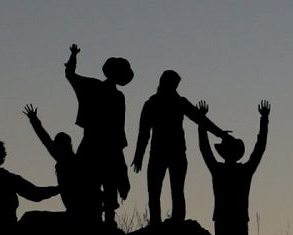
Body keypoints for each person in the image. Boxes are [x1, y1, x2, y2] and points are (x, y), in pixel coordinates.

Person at [132, 70, 234, 225]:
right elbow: (144, 132)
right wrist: (138, 156)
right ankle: (156, 223)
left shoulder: (175, 102)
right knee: (156, 192)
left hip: (175, 153)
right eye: (174, 84)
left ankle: (175, 221)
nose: (175, 88)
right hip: (161, 153)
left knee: (175, 191)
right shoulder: (154, 103)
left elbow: (200, 119)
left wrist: (221, 134)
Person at [63, 44, 132, 224]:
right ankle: (99, 222)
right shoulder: (102, 90)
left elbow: (70, 74)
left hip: (101, 145)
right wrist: (73, 55)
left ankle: (102, 222)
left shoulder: (114, 95)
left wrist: (73, 56)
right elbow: (70, 75)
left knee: (101, 186)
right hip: (100, 145)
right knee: (97, 186)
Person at [198, 100, 269, 235]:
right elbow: (259, 149)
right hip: (239, 220)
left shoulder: (218, 170)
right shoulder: (244, 171)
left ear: (224, 153)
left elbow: (205, 149)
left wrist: (202, 121)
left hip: (223, 220)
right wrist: (264, 119)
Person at [21, 104, 89, 218]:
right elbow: (45, 139)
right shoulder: (69, 159)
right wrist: (34, 120)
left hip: (80, 207)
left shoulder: (72, 161)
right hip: (74, 207)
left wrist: (34, 120)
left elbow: (45, 139)